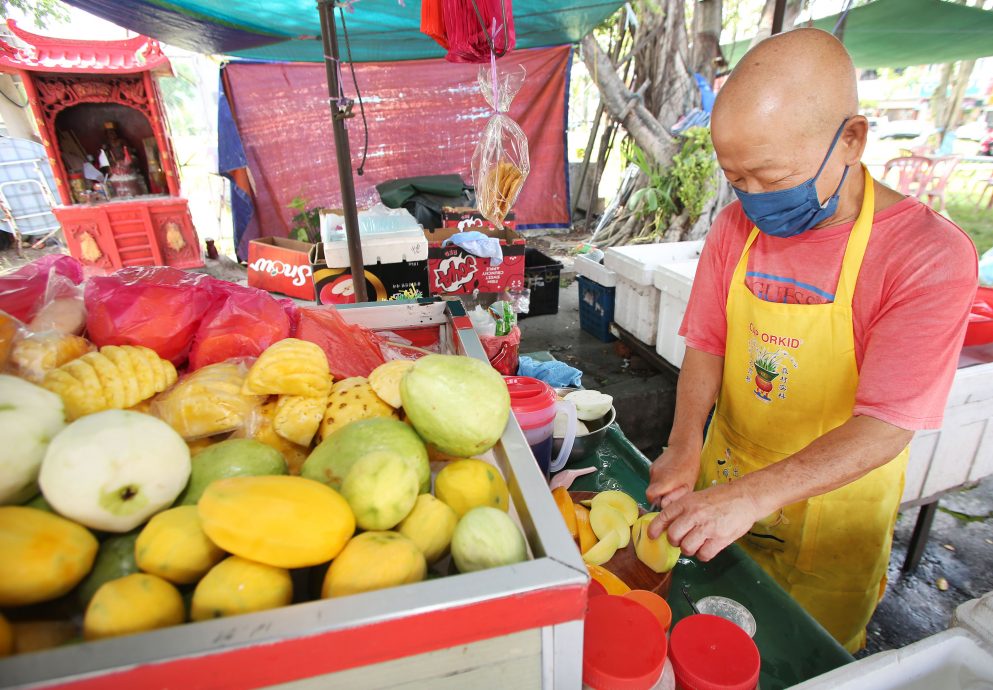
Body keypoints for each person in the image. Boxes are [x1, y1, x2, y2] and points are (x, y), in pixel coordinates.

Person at [646, 28, 978, 652]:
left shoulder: (925, 257)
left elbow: (886, 425)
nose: (753, 199)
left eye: (773, 178)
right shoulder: (732, 226)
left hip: (832, 527)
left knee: (798, 658)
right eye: (736, 178)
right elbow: (707, 345)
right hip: (723, 481)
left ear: (851, 139)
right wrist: (684, 443)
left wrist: (750, 497)